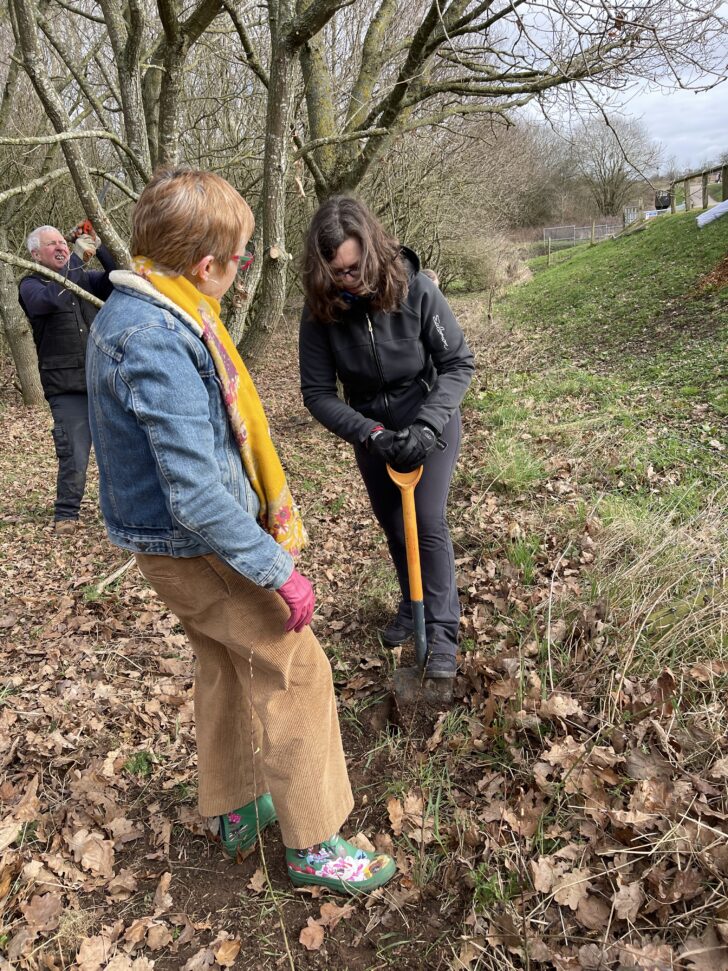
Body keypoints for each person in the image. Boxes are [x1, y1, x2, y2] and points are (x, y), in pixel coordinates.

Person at [85, 168, 396, 895]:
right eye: (241, 258)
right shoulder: (156, 337)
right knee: (297, 669)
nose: (244, 270)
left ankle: (233, 805)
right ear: (206, 265)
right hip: (196, 548)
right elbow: (194, 491)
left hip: (166, 545)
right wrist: (276, 568)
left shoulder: (140, 309)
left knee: (224, 662)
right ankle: (316, 842)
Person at [299, 196, 474, 680]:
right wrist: (371, 433)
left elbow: (457, 363)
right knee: (395, 524)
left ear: (373, 251)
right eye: (337, 273)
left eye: (355, 269)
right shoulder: (320, 313)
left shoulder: (415, 290)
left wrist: (427, 424)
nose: (348, 280)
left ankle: (441, 633)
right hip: (372, 428)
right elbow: (317, 393)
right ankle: (411, 600)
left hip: (427, 418)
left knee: (426, 520)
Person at [18, 223, 116, 535]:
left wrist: (98, 245)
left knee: (120, 448)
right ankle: (66, 514)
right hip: (66, 387)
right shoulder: (30, 286)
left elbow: (118, 276)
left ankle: (124, 508)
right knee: (73, 451)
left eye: (64, 241)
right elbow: (54, 298)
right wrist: (76, 255)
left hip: (103, 380)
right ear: (36, 254)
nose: (61, 247)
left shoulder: (85, 280)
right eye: (52, 245)